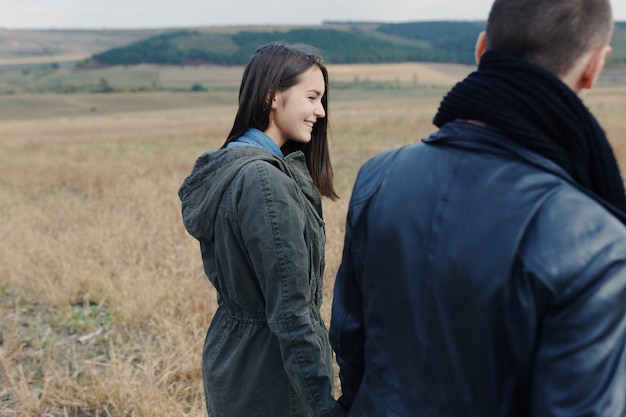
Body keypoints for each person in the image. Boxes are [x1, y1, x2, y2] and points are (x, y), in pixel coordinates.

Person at [329, 0, 626, 415]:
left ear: (482, 49)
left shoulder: (378, 177)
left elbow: (349, 337)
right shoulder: (597, 240)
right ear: (595, 66)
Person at [178, 43, 345, 417]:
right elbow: (290, 312)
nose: (320, 111)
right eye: (312, 97)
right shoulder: (262, 181)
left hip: (240, 362)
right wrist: (322, 405)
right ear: (272, 96)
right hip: (269, 379)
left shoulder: (238, 166)